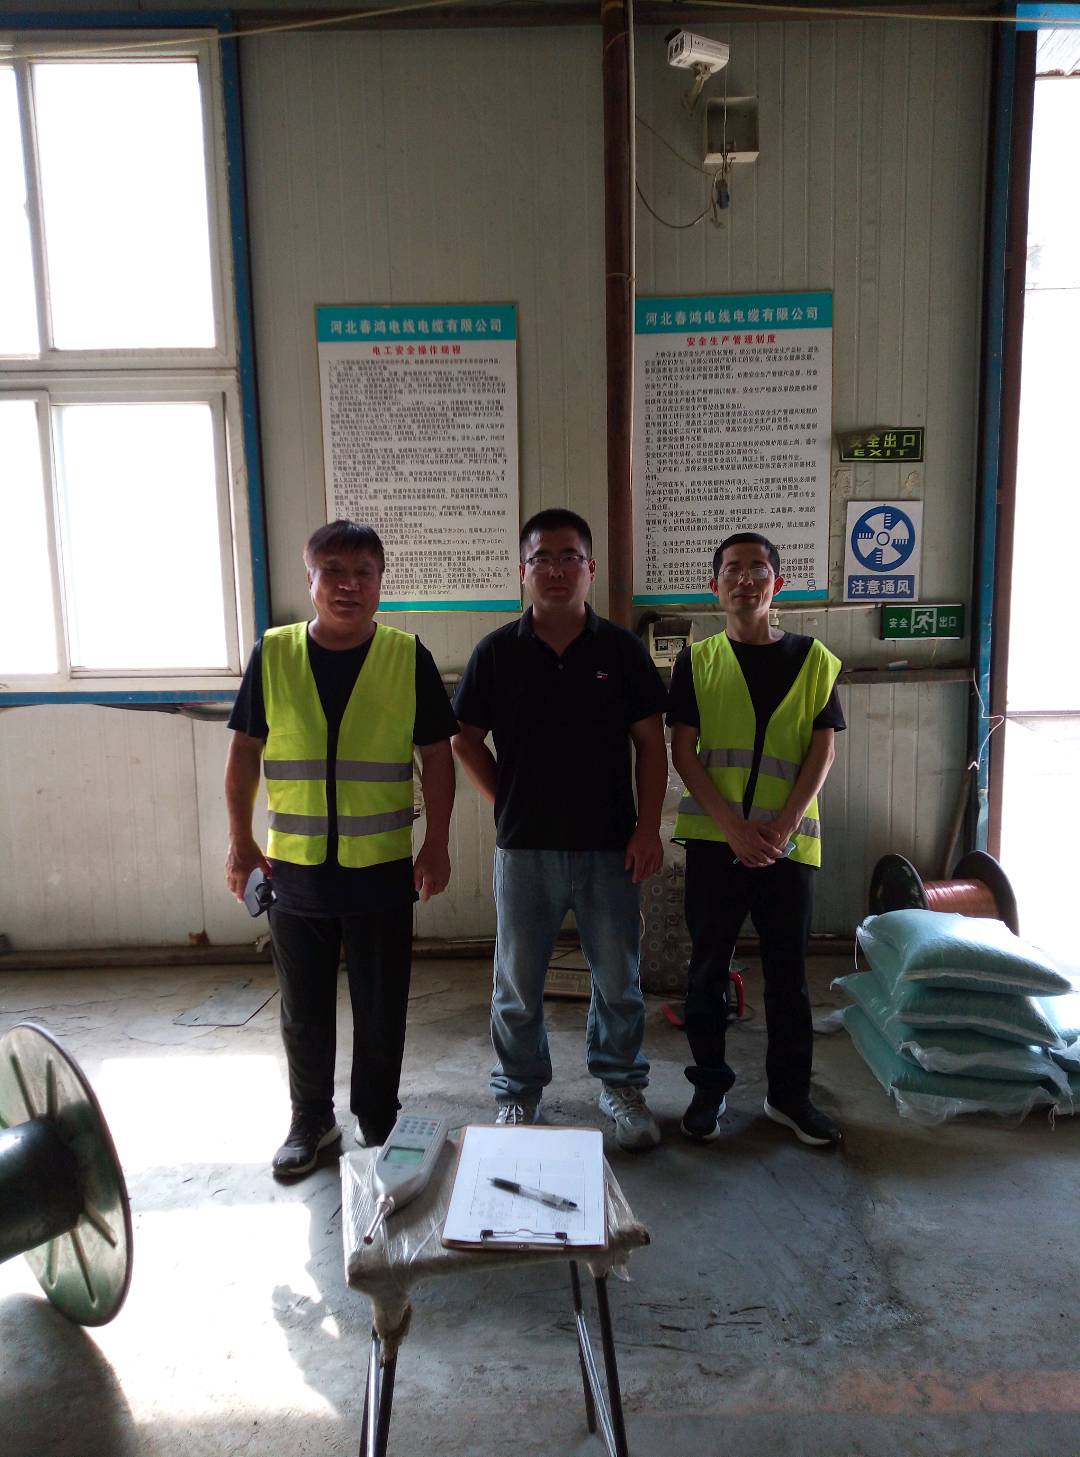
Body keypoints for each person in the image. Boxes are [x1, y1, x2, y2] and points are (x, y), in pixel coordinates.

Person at [224, 521, 457, 1178]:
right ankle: (311, 1119)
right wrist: (240, 842)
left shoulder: (406, 656)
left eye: (362, 572)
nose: (348, 584)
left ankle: (377, 1113)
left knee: (382, 1003)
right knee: (302, 1006)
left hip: (381, 867)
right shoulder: (274, 654)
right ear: (310, 579)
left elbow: (438, 757)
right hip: (294, 869)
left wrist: (437, 843)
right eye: (332, 570)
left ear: (381, 581)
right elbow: (243, 752)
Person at [451, 508, 669, 1150]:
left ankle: (621, 1087)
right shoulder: (497, 652)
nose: (555, 570)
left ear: (590, 569)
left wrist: (647, 829)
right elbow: (464, 739)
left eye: (568, 557)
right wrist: (507, 800)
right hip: (525, 850)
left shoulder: (620, 650)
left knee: (619, 980)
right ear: (523, 570)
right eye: (541, 558)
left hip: (610, 847)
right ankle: (518, 1094)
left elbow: (651, 745)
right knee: (517, 985)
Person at [668, 532, 846, 1147]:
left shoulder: (815, 660)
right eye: (733, 570)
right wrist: (733, 829)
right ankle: (709, 1089)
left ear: (778, 583)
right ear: (714, 586)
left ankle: (789, 1097)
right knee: (706, 971)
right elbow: (683, 752)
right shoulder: (697, 661)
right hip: (716, 844)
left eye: (758, 569)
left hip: (787, 847)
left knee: (788, 977)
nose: (746, 579)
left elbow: (823, 750)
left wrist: (784, 826)